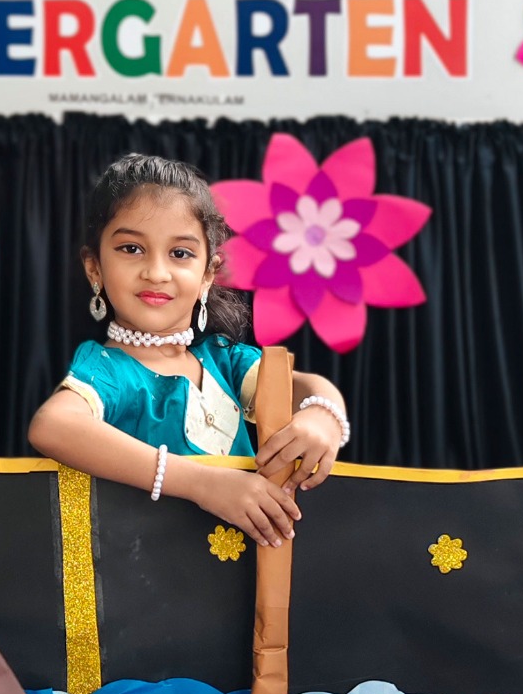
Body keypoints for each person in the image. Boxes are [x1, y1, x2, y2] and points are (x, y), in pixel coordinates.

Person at [28, 154, 349, 549]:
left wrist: (323, 415)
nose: (156, 272)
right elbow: (53, 426)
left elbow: (303, 386)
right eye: (131, 248)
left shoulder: (224, 361)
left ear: (208, 274)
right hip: (150, 572)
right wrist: (202, 484)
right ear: (94, 268)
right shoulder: (107, 372)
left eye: (180, 253)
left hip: (250, 574)